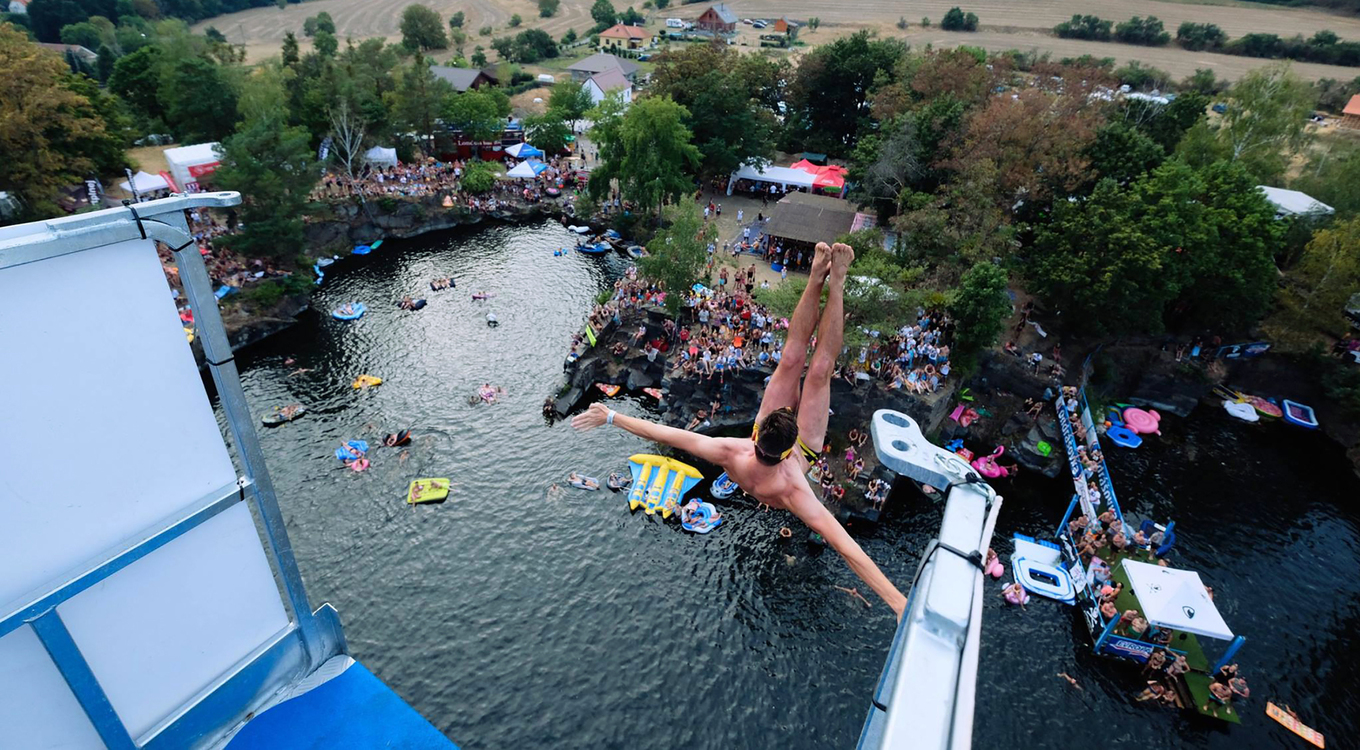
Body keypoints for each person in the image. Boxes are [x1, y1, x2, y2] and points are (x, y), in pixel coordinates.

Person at [573, 243, 908, 617]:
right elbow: (849, 549)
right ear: (785, 443)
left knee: (795, 358)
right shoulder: (794, 490)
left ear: (760, 428)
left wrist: (611, 417)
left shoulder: (732, 450)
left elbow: (662, 433)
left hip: (783, 449)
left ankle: (819, 275)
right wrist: (897, 602)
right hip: (806, 452)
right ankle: (835, 280)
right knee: (817, 368)